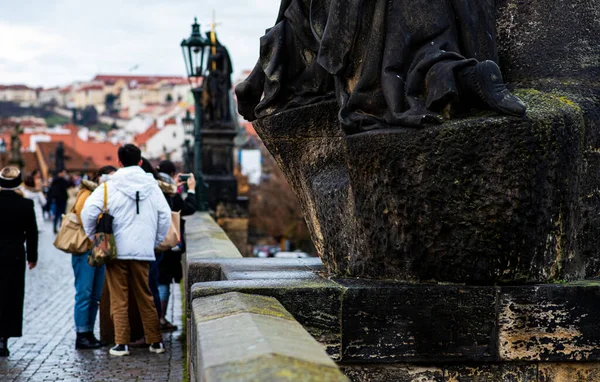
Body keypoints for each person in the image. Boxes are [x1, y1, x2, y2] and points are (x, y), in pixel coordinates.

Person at [80, 144, 171, 356]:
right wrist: (154, 240)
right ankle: (155, 341)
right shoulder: (152, 185)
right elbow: (165, 216)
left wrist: (93, 235)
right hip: (143, 249)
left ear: (119, 162)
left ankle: (121, 343)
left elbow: (88, 212)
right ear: (140, 162)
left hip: (116, 250)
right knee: (145, 295)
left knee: (118, 297)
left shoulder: (108, 186)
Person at [70, 165, 116, 350]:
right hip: (85, 249)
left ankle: (89, 332)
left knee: (96, 294)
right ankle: (81, 334)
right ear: (99, 177)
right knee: (84, 293)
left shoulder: (104, 194)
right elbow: (84, 217)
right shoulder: (86, 194)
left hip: (99, 248)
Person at [0, 167, 38, 357]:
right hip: (14, 253)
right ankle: (3, 338)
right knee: (11, 295)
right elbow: (32, 232)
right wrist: (32, 256)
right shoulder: (25, 204)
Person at [156, 160, 197, 331]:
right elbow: (189, 208)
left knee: (157, 279)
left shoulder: (158, 186)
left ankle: (157, 318)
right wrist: (192, 189)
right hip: (167, 242)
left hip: (154, 240)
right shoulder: (168, 190)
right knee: (163, 281)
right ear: (173, 173)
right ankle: (160, 319)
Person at [48, 168, 70, 233]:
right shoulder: (60, 181)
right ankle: (60, 227)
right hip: (61, 199)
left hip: (58, 199)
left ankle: (58, 227)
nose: (64, 174)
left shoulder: (55, 181)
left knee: (58, 214)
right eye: (63, 173)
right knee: (60, 214)